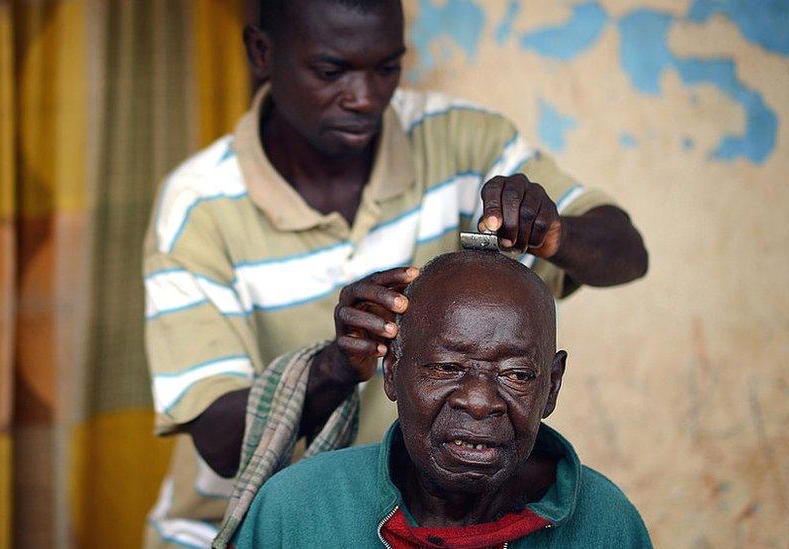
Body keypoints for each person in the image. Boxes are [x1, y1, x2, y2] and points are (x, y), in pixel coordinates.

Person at [143, 0, 648, 546]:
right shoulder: (199, 206)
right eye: (332, 71)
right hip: (246, 524)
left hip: (429, 519)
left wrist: (553, 232)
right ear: (262, 53)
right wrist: (337, 366)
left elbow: (626, 253)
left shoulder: (464, 140)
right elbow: (218, 440)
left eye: (386, 68)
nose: (364, 98)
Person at [231, 250, 652, 547]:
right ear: (392, 371)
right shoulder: (298, 509)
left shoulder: (605, 522)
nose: (479, 401)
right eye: (446, 368)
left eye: (516, 374)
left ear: (552, 386)